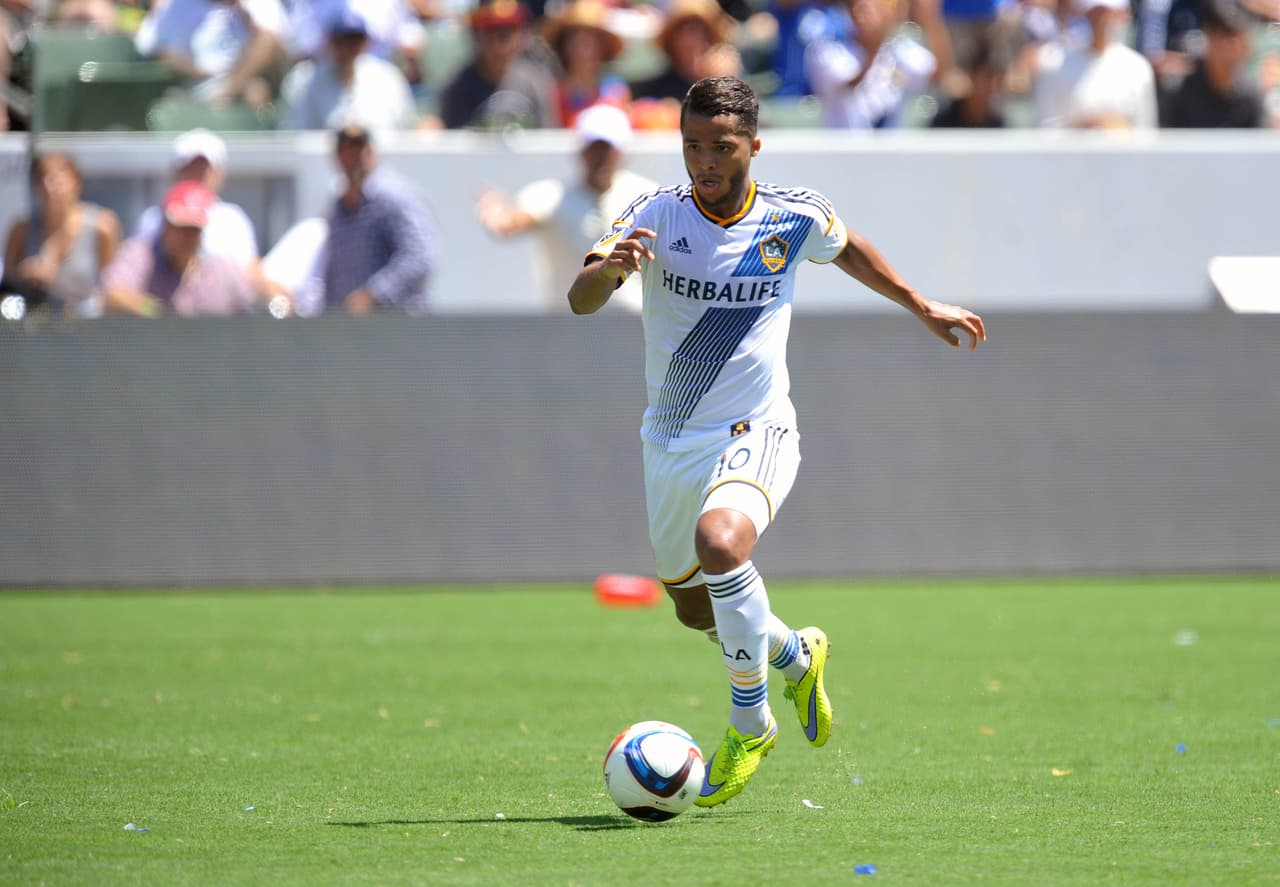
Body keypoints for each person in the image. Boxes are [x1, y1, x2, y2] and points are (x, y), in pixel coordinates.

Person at [567, 76, 985, 807]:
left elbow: (847, 248)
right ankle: (797, 654)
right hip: (671, 437)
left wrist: (919, 303)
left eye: (721, 146)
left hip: (758, 428)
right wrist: (610, 271)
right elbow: (581, 299)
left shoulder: (794, 215)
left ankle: (750, 723)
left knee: (722, 544)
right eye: (692, 145)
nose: (705, 160)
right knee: (696, 608)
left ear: (754, 146)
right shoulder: (654, 214)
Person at [476, 102, 655, 312]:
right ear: (581, 152)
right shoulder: (549, 196)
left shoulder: (646, 196)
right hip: (569, 325)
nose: (601, 157)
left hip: (633, 325)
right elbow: (509, 224)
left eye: (608, 149)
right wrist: (494, 212)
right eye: (594, 148)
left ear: (621, 152)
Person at [322, 122, 436, 314]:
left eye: (360, 147)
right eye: (347, 148)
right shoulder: (338, 207)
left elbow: (419, 257)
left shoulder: (395, 196)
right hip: (352, 328)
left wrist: (373, 296)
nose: (355, 155)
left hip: (398, 323)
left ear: (372, 151)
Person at [101, 180, 256, 316]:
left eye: (193, 229)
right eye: (180, 228)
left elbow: (250, 311)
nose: (186, 237)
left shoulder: (222, 270)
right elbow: (112, 294)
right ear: (165, 225)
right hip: (154, 340)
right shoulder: (140, 256)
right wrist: (156, 311)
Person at [3, 152, 121, 317]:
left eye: (56, 178)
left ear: (76, 181)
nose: (48, 186)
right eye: (41, 178)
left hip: (84, 324)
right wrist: (24, 275)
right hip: (34, 322)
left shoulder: (102, 226)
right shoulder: (21, 230)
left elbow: (112, 287)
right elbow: (7, 290)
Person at [805, 0, 950, 128]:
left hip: (894, 149)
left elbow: (939, 76)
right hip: (844, 148)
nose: (865, 10)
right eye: (858, 5)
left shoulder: (903, 51)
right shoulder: (830, 51)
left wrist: (929, 19)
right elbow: (851, 84)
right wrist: (877, 45)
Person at [280, 4, 418, 131]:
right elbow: (296, 136)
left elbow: (405, 131)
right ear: (329, 40)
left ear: (366, 41)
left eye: (355, 39)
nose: (348, 47)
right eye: (342, 40)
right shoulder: (303, 80)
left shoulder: (388, 78)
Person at [134, 0, 286, 107]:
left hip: (245, 80)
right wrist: (205, 73)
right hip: (197, 85)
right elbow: (156, 48)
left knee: (256, 90)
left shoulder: (254, 5)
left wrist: (229, 89)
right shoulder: (178, 5)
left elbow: (271, 43)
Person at [1032, 0, 1158, 128]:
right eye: (1094, 13)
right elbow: (1046, 127)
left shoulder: (1138, 68)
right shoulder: (1054, 64)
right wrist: (1084, 126)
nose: (1100, 21)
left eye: (1106, 13)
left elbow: (1145, 129)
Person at [437, 0, 556, 129]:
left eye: (505, 36)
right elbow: (452, 136)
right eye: (490, 35)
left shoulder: (536, 83)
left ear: (520, 38)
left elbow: (549, 135)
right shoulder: (458, 86)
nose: (498, 46)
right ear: (477, 37)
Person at [1160, 0, 1267, 128]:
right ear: (1208, 37)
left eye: (1232, 40)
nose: (1227, 51)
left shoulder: (1252, 95)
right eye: (1221, 38)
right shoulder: (1178, 90)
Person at [540, 0, 628, 127]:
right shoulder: (550, 92)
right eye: (575, 36)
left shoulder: (616, 90)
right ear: (564, 44)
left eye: (592, 37)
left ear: (603, 46)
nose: (583, 44)